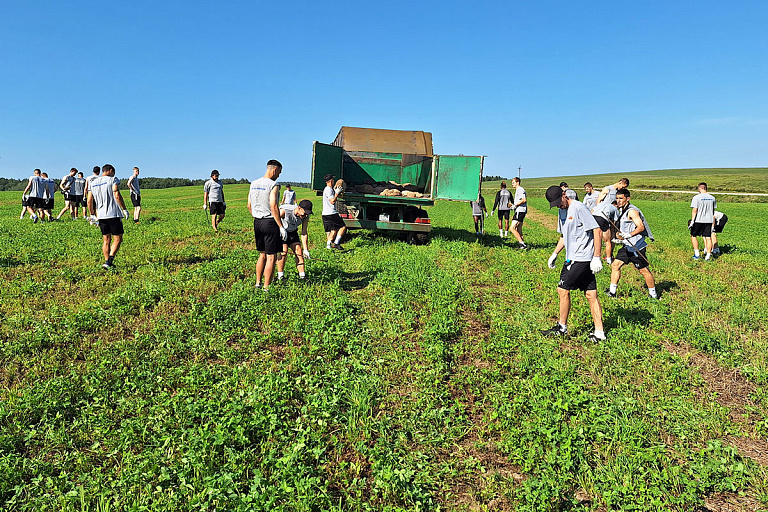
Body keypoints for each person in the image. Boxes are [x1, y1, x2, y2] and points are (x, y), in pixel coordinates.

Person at [542, 185, 606, 342]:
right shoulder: (562, 211)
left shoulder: (578, 207)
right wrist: (555, 254)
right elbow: (565, 235)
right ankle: (600, 333)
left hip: (581, 258)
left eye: (559, 201)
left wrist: (597, 256)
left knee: (562, 290)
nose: (559, 205)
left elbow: (596, 230)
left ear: (565, 194)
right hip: (572, 257)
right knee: (591, 294)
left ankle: (561, 328)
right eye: (555, 204)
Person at [607, 188, 658, 299]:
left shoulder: (632, 211)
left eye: (621, 198)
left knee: (644, 271)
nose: (618, 201)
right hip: (627, 247)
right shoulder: (623, 211)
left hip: (636, 247)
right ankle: (612, 292)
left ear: (628, 199)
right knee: (615, 265)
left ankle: (653, 295)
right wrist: (620, 238)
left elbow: (640, 227)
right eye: (617, 198)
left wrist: (629, 235)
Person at [247, 160, 286, 291]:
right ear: (275, 170)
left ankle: (258, 282)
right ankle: (266, 288)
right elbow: (273, 205)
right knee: (271, 257)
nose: (279, 176)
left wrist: (256, 216)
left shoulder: (253, 183)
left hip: (257, 222)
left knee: (262, 254)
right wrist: (280, 226)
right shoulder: (274, 184)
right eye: (279, 172)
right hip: (270, 222)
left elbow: (249, 205)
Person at [87, 164, 129, 269]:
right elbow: (117, 194)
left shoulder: (93, 183)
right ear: (110, 171)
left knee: (106, 240)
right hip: (113, 214)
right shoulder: (112, 179)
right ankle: (109, 261)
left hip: (101, 215)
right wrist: (124, 209)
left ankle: (107, 261)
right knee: (118, 238)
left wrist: (92, 214)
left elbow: (89, 200)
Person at [276, 199, 313, 282]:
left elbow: (304, 232)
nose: (306, 215)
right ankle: (280, 276)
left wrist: (306, 250)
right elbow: (274, 219)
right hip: (282, 232)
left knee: (299, 251)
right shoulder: (285, 211)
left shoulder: (305, 216)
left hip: (292, 232)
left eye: (308, 213)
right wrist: (280, 228)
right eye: (305, 212)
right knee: (284, 251)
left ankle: (302, 276)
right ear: (299, 208)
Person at [689, 182, 716, 260]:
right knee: (708, 237)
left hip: (699, 220)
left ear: (700, 188)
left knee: (693, 236)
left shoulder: (696, 197)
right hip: (709, 221)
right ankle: (708, 256)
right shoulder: (712, 198)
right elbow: (713, 211)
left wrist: (692, 221)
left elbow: (695, 210)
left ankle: (697, 254)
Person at [322, 174, 347, 250]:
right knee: (343, 226)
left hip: (325, 213)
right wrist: (336, 194)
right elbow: (332, 201)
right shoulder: (329, 190)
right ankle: (336, 243)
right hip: (331, 213)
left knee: (333, 230)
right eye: (333, 180)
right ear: (331, 181)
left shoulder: (327, 189)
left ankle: (328, 245)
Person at [591, 199, 620, 264]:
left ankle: (592, 256)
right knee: (607, 241)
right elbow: (614, 223)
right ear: (616, 205)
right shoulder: (615, 209)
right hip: (602, 219)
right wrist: (612, 234)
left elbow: (591, 211)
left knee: (593, 239)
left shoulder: (601, 204)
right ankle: (609, 259)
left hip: (592, 218)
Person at [510, 177, 528, 249]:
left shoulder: (520, 189)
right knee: (519, 229)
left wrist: (515, 205)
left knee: (512, 228)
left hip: (520, 211)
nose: (512, 184)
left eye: (513, 183)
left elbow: (524, 200)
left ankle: (522, 244)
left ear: (517, 182)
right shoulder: (519, 190)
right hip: (520, 210)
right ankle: (522, 245)